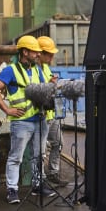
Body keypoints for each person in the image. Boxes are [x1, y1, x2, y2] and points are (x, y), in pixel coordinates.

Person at [0, 35, 56, 204]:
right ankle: (12, 190)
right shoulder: (10, 70)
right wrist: (7, 109)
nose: (38, 55)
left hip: (39, 119)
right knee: (16, 157)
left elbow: (41, 91)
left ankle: (37, 185)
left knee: (38, 156)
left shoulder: (37, 70)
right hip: (22, 122)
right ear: (25, 52)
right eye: (35, 52)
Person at [37, 36, 68, 188]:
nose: (52, 57)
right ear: (39, 53)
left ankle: (53, 173)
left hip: (52, 113)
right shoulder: (33, 70)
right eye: (49, 54)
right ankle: (40, 180)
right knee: (41, 150)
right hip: (41, 115)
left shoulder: (46, 68)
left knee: (58, 143)